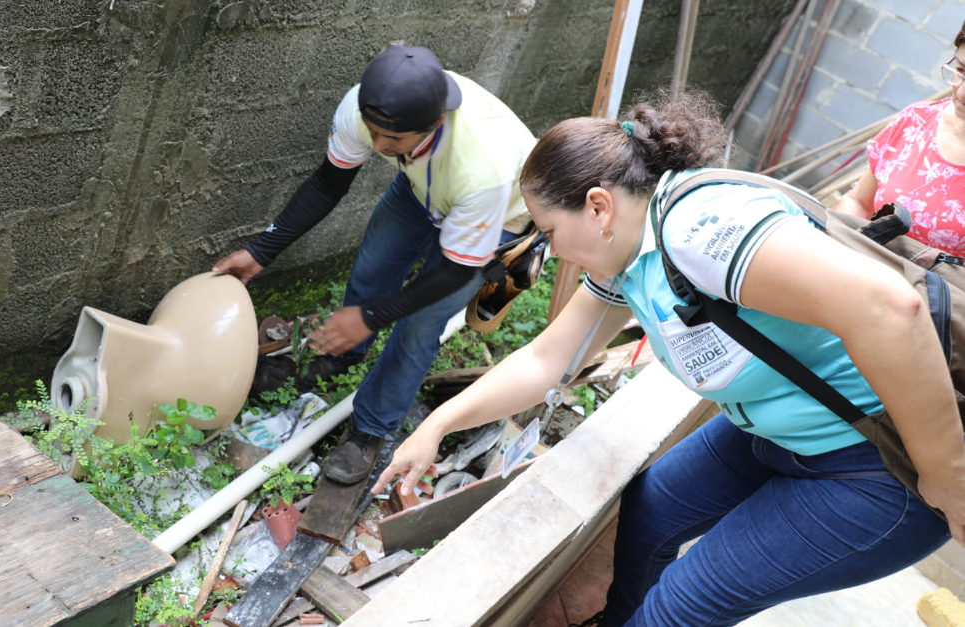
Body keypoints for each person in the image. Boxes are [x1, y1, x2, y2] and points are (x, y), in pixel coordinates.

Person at [373, 90, 965, 626]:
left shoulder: (698, 231)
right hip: (783, 434)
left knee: (683, 605)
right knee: (649, 515)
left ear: (599, 208)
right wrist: (437, 425)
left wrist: (947, 470)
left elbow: (892, 310)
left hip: (881, 466)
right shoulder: (631, 251)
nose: (548, 250)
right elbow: (548, 359)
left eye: (548, 231)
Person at [212, 45, 535, 484]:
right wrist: (262, 251)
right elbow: (328, 184)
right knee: (374, 265)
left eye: (393, 142)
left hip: (499, 218)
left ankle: (369, 430)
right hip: (421, 186)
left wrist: (371, 317)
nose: (379, 147)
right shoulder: (365, 108)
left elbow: (455, 272)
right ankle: (342, 355)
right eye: (372, 131)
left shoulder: (481, 167)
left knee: (420, 323)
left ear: (436, 123)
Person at [835, 20, 965, 254]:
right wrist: (834, 241)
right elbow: (859, 202)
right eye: (961, 71)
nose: (962, 92)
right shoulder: (915, 121)